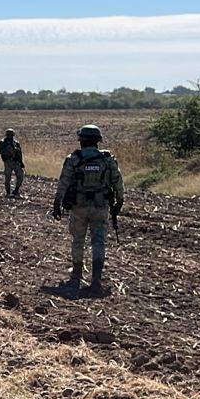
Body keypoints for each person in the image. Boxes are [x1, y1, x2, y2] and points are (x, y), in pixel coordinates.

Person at [52, 124, 124, 295]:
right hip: (100, 206)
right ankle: (96, 280)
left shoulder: (74, 159)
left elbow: (63, 183)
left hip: (79, 206)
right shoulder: (107, 160)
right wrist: (119, 202)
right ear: (98, 141)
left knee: (78, 240)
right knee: (98, 242)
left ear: (81, 140)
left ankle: (76, 275)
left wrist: (57, 203)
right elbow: (118, 182)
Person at [0, 128, 25, 198]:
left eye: (11, 135)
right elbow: (0, 151)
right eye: (9, 135)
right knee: (7, 178)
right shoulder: (3, 142)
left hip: (16, 162)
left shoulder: (16, 143)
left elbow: (19, 153)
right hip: (8, 162)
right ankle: (8, 193)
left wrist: (21, 162)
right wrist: (8, 151)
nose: (10, 136)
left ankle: (16, 191)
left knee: (20, 176)